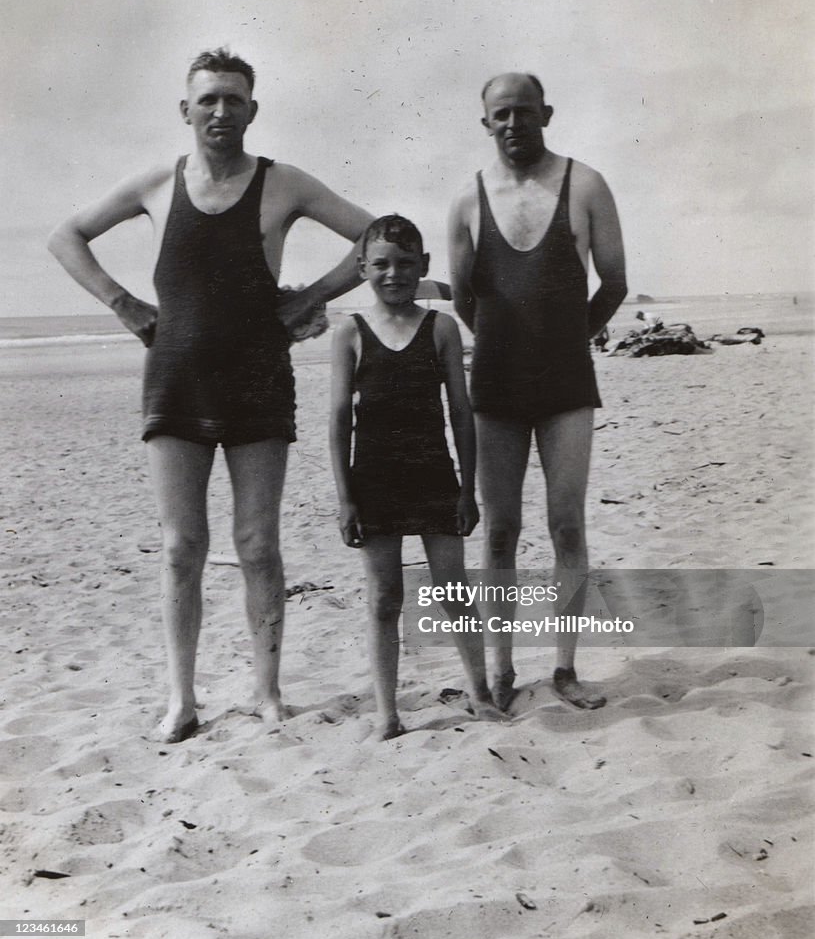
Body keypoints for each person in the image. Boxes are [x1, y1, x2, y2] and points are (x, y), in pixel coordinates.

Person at [48, 48, 374, 742]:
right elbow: (66, 236)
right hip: (175, 380)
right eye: (208, 100)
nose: (221, 111)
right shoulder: (156, 187)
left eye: (234, 99)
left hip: (258, 379)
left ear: (252, 110)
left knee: (257, 543)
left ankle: (266, 690)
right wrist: (123, 304)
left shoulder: (283, 185)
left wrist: (311, 297)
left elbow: (376, 236)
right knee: (180, 548)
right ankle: (181, 700)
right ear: (185, 110)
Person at [448, 72, 628, 711]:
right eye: (502, 114)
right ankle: (500, 669)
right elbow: (465, 295)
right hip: (495, 385)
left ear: (546, 113)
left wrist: (566, 342)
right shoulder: (468, 200)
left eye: (525, 112)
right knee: (499, 529)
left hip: (567, 384)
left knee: (565, 523)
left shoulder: (585, 184)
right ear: (486, 123)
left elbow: (613, 282)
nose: (514, 124)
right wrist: (504, 343)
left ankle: (565, 667)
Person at [329, 214, 501, 739]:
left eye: (406, 264)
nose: (393, 274)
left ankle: (480, 694)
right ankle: (387, 712)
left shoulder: (441, 328)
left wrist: (467, 488)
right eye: (380, 264)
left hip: (433, 476)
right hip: (374, 481)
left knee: (453, 589)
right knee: (385, 598)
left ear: (424, 267)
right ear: (362, 269)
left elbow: (461, 413)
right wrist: (345, 498)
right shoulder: (350, 334)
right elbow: (338, 419)